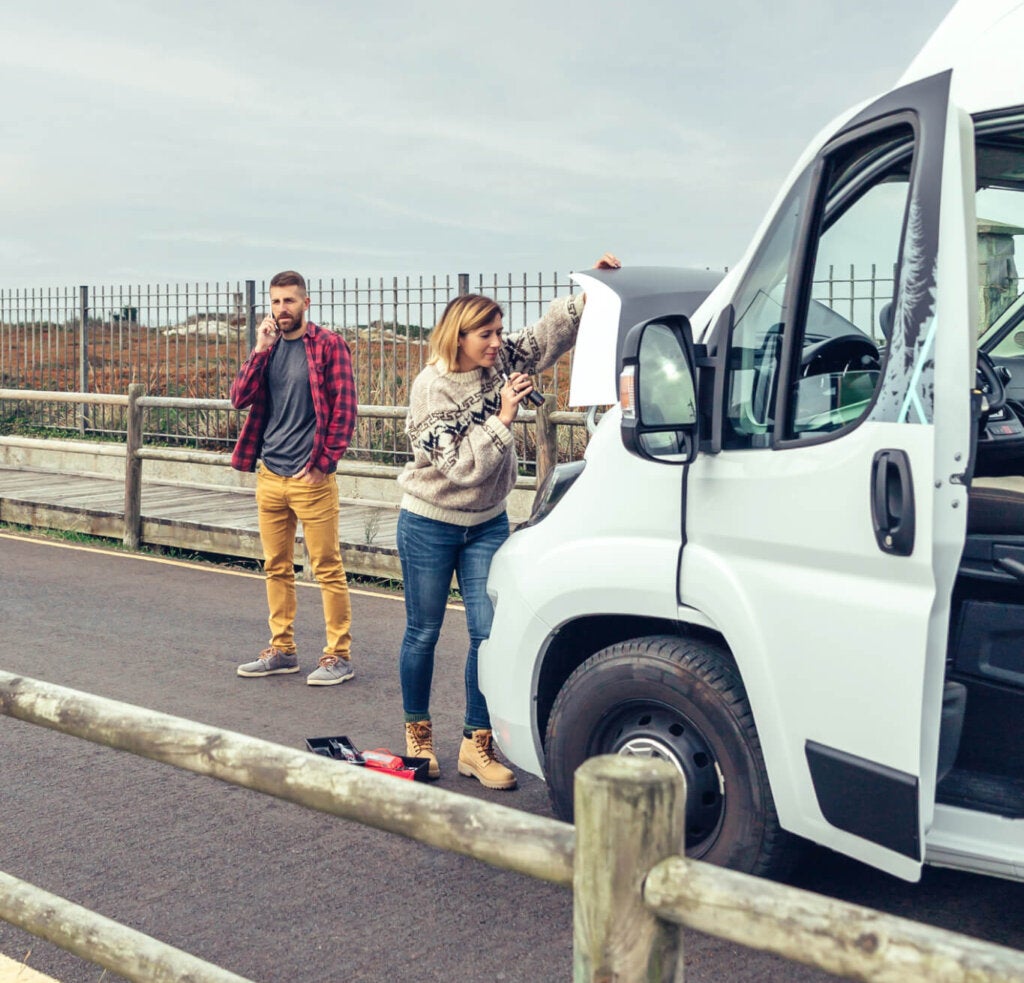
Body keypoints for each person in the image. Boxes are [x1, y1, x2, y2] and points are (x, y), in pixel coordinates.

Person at [398, 253, 621, 787]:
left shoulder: (499, 362)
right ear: (458, 337)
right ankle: (417, 737)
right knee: (423, 631)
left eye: (499, 332)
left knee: (486, 630)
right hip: (430, 522)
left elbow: (544, 337)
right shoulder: (431, 388)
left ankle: (477, 744)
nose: (498, 342)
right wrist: (502, 417)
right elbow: (461, 470)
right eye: (486, 334)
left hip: (487, 523)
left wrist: (590, 295)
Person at [230, 270, 358, 686]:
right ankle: (282, 651)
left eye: (289, 301)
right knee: (276, 567)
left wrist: (324, 463)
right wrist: (259, 349)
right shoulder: (268, 348)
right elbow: (238, 399)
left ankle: (338, 655)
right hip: (270, 473)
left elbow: (345, 409)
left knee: (326, 567)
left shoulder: (328, 345)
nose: (281, 309)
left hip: (311, 479)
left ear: (306, 302)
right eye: (275, 302)